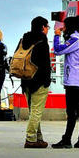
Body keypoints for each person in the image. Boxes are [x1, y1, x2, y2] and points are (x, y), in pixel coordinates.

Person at [51, 16, 79, 149]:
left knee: (72, 112)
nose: (63, 29)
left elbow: (58, 50)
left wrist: (56, 36)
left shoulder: (74, 40)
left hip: (72, 81)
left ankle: (67, 139)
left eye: (65, 27)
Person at [18, 16, 51, 148]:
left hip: (26, 80)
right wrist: (47, 80)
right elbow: (45, 63)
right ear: (42, 27)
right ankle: (31, 138)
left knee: (33, 112)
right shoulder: (42, 40)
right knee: (36, 112)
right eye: (47, 27)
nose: (47, 29)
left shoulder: (24, 39)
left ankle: (38, 137)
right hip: (39, 81)